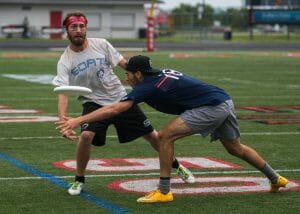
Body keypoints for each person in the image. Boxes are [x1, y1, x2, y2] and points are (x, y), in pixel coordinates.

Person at [56, 55, 289, 203]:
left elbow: (115, 109)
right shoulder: (157, 73)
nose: (125, 78)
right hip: (224, 101)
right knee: (235, 148)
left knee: (165, 136)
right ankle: (275, 178)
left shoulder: (146, 86)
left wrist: (78, 120)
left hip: (211, 107)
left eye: (127, 74)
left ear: (138, 74)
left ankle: (164, 191)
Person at [52, 12, 194, 196]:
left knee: (152, 136)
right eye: (73, 27)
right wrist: (63, 121)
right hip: (93, 102)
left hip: (119, 98)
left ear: (85, 28)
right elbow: (62, 92)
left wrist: (145, 78)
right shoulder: (65, 60)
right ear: (67, 30)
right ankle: (79, 179)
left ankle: (177, 165)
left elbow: (126, 65)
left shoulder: (101, 44)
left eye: (81, 26)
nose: (78, 30)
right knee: (86, 135)